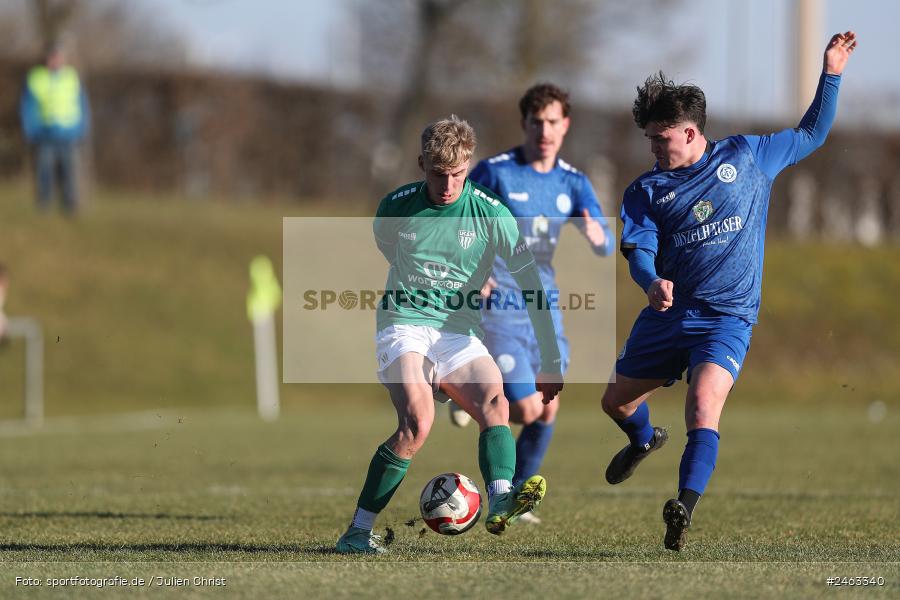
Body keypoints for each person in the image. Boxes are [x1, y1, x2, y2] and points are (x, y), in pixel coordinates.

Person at [601, 31, 856, 551]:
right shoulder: (645, 191)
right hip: (669, 314)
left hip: (727, 318)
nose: (653, 147)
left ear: (691, 133)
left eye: (660, 137)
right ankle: (645, 438)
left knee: (703, 404)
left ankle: (682, 508)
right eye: (649, 138)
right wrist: (651, 283)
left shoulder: (749, 156)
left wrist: (831, 73)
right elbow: (641, 251)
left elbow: (811, 133)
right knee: (616, 403)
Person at [335, 115, 564, 554]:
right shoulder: (395, 207)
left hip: (458, 332)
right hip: (404, 324)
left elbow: (532, 287)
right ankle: (357, 532)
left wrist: (549, 360)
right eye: (438, 174)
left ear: (468, 166)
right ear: (421, 163)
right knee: (418, 423)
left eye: (457, 174)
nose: (447, 185)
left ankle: (499, 499)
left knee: (496, 401)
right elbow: (388, 249)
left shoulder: (493, 214)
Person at [448, 83, 614, 525]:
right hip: (498, 302)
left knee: (549, 403)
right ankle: (463, 393)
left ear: (566, 126)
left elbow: (606, 239)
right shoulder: (496, 172)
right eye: (536, 122)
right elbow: (459, 221)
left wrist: (598, 236)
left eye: (553, 122)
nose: (545, 130)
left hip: (544, 305)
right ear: (524, 124)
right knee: (524, 409)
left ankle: (517, 498)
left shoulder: (572, 182)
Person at [20, 42, 90, 215]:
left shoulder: (71, 77)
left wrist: (82, 128)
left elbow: (82, 105)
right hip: (45, 133)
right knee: (44, 171)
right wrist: (30, 130)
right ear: (47, 58)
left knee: (70, 172)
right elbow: (28, 107)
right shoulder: (36, 77)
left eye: (58, 57)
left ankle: (70, 205)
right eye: (52, 57)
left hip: (69, 133)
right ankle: (44, 204)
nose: (55, 60)